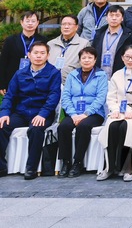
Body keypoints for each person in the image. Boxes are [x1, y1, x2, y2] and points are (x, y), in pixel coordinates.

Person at [0, 42, 61, 179]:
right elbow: (9, 96)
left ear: (48, 55)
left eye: (42, 53)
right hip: (21, 112)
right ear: (29, 55)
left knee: (36, 129)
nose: (39, 56)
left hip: (41, 113)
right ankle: (1, 167)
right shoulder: (20, 73)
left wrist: (42, 114)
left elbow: (53, 97)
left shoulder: (53, 73)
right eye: (35, 53)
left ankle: (31, 168)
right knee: (2, 125)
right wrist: (4, 113)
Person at [97, 45, 132, 182]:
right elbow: (111, 97)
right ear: (122, 58)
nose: (130, 60)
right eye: (127, 57)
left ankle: (127, 167)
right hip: (119, 111)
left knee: (126, 127)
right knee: (112, 126)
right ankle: (109, 167)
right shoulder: (117, 75)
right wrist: (115, 110)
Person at [57, 46, 107, 178]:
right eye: (84, 57)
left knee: (83, 126)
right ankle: (66, 162)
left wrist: (86, 114)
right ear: (79, 60)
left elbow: (100, 98)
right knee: (63, 127)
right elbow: (66, 96)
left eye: (90, 57)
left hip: (94, 113)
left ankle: (77, 162)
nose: (87, 60)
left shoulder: (101, 75)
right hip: (74, 112)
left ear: (95, 60)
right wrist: (73, 114)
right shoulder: (72, 75)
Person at [0, 11, 47, 94]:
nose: (30, 23)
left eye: (33, 21)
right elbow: (3, 62)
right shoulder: (10, 40)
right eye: (27, 21)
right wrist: (2, 84)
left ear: (37, 23)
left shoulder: (43, 40)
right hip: (13, 79)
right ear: (21, 22)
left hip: (36, 81)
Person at [91, 5, 132, 78]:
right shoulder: (99, 33)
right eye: (111, 15)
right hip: (98, 75)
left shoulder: (129, 35)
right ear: (106, 18)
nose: (114, 18)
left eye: (117, 15)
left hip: (120, 76)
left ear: (122, 18)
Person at [48, 14, 91, 83]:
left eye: (69, 24)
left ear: (76, 27)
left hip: (72, 83)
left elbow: (87, 67)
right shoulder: (51, 44)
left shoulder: (84, 44)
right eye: (64, 24)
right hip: (50, 83)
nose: (66, 27)